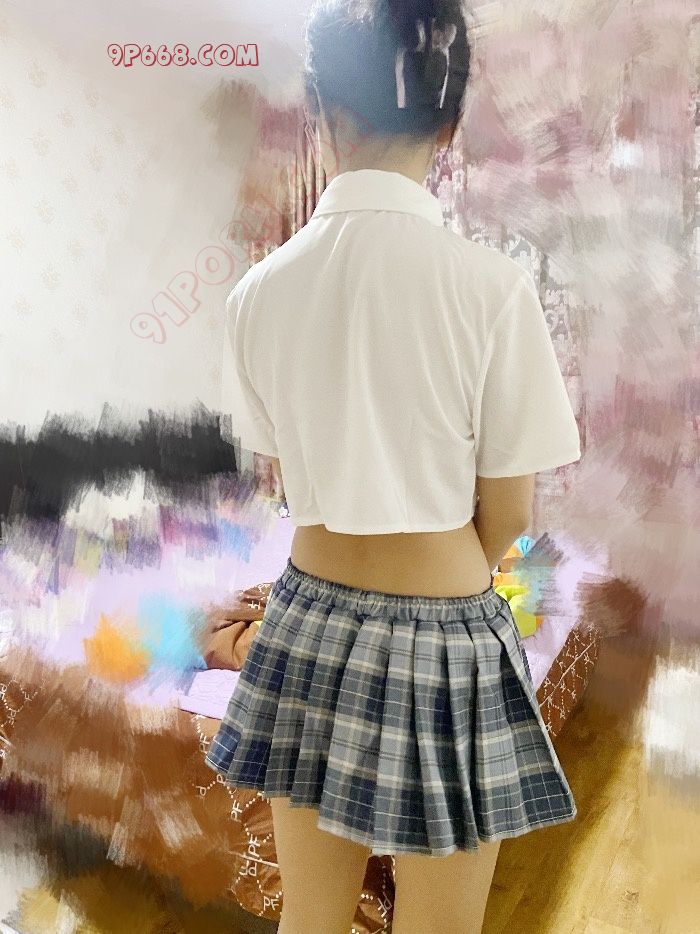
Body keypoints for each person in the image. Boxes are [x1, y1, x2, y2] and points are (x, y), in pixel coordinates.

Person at [205, 0, 582, 931]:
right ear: (448, 128)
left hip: (304, 623)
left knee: (310, 917)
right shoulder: (493, 289)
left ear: (323, 112)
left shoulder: (256, 293)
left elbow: (297, 474)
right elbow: (508, 517)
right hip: (443, 640)